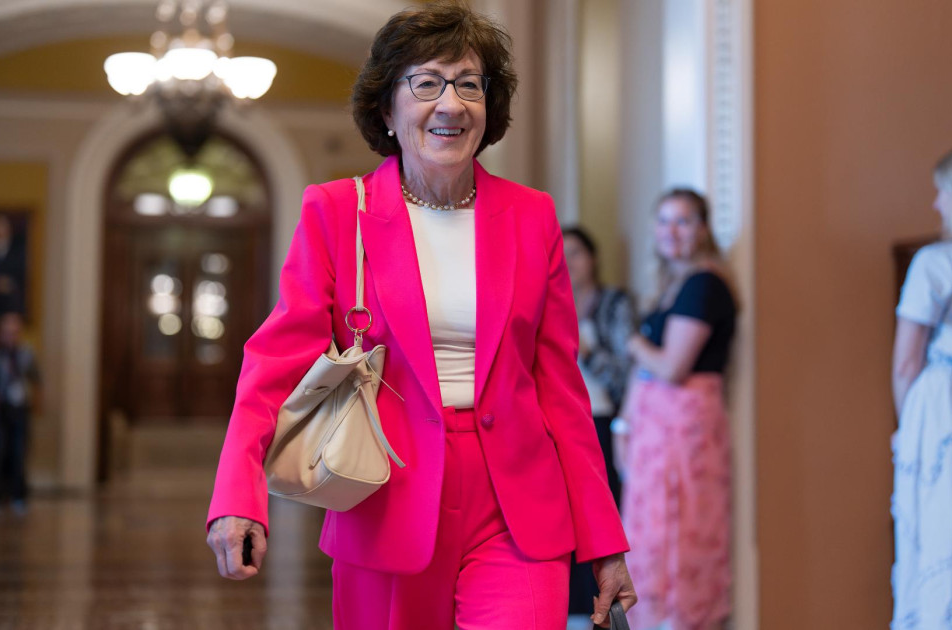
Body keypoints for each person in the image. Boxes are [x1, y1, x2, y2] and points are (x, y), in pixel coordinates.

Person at [206, 2, 636, 628]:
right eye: (427, 83)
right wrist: (237, 494)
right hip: (385, 499)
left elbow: (560, 391)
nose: (451, 104)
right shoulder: (337, 212)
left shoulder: (531, 217)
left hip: (517, 508)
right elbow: (274, 361)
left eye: (469, 84)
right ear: (387, 108)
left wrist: (604, 541)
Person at [614, 189, 735, 630]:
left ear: (702, 229)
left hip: (683, 430)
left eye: (683, 221)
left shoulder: (705, 285)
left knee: (679, 533)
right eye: (663, 221)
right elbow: (646, 375)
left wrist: (625, 338)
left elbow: (671, 366)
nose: (672, 231)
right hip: (653, 429)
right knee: (651, 536)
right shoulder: (672, 287)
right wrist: (624, 429)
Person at [891, 144, 952, 629]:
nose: (936, 203)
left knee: (942, 523)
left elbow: (907, 361)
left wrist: (908, 432)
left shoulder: (936, 261)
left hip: (943, 405)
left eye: (942, 191)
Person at [562, 226, 636, 628]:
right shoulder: (544, 299)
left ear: (593, 258)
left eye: (577, 252)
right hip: (559, 422)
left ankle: (601, 605)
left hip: (602, 419)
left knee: (600, 508)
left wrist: (587, 350)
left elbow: (626, 373)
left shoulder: (613, 303)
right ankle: (569, 606)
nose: (570, 261)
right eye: (562, 252)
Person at [0, 311, 39, 514]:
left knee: (19, 452)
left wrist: (36, 402)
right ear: (0, 333)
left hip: (19, 408)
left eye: (15, 331)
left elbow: (37, 380)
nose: (11, 335)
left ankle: (18, 496)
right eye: (7, 332)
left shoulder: (26, 353)